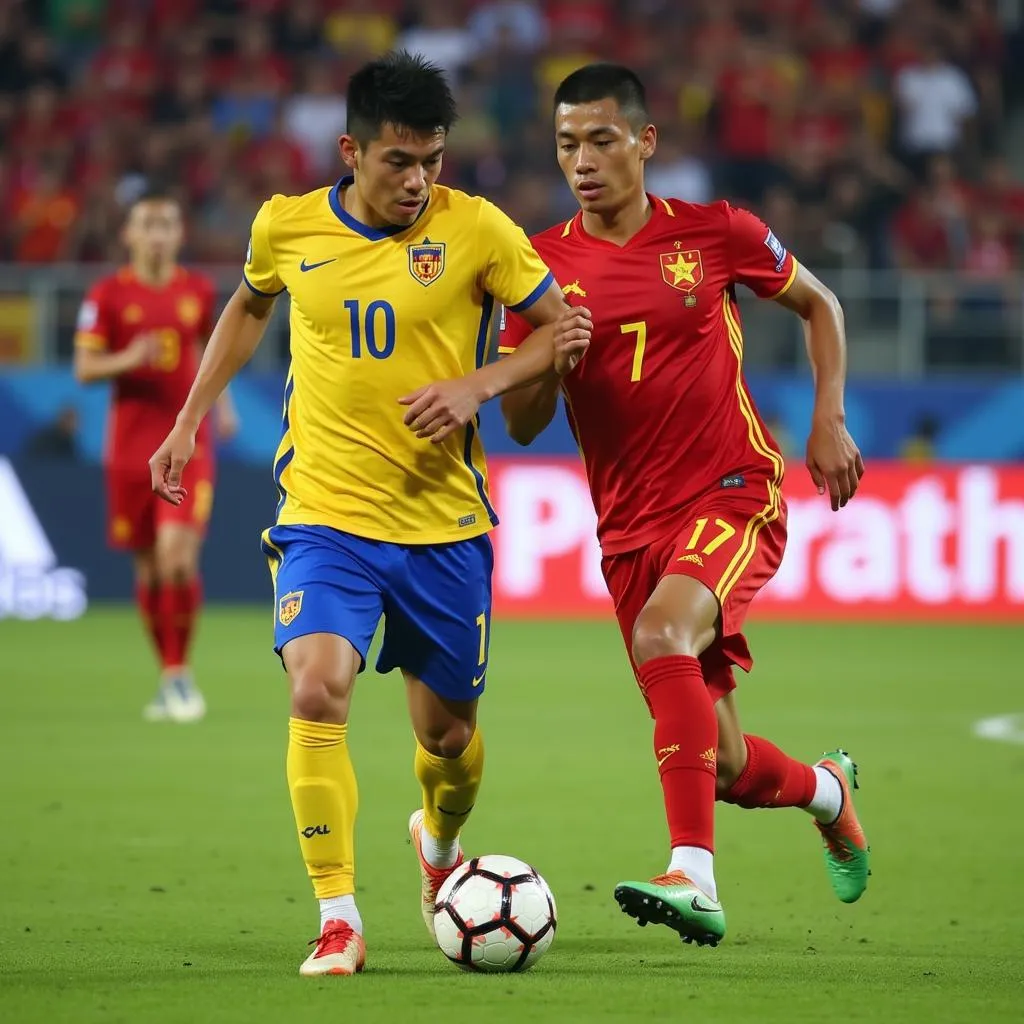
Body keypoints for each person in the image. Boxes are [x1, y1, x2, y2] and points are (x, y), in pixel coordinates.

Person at [147, 51, 579, 977]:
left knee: (448, 739)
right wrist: (187, 421)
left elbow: (562, 329)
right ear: (351, 150)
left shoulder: (481, 230)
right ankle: (338, 916)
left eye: (431, 159)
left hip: (444, 527)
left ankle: (437, 844)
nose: (418, 179)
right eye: (398, 160)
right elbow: (247, 306)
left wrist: (479, 385)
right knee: (315, 691)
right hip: (325, 516)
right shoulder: (287, 226)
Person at [497, 64, 869, 948]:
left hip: (731, 489)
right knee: (729, 765)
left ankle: (692, 874)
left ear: (644, 141)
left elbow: (821, 306)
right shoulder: (537, 266)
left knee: (661, 636)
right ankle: (828, 791)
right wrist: (554, 354)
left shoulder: (716, 232)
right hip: (627, 528)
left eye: (599, 140)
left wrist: (827, 418)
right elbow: (519, 424)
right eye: (565, 145)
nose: (581, 162)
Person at [74, 188, 238, 723]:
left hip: (189, 445)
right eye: (148, 225)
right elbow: (84, 369)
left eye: (167, 224)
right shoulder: (107, 295)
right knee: (148, 571)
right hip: (128, 448)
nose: (158, 234)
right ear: (129, 235)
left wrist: (225, 405)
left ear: (179, 235)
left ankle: (180, 675)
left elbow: (209, 351)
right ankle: (169, 673)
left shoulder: (195, 290)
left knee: (176, 558)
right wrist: (128, 357)